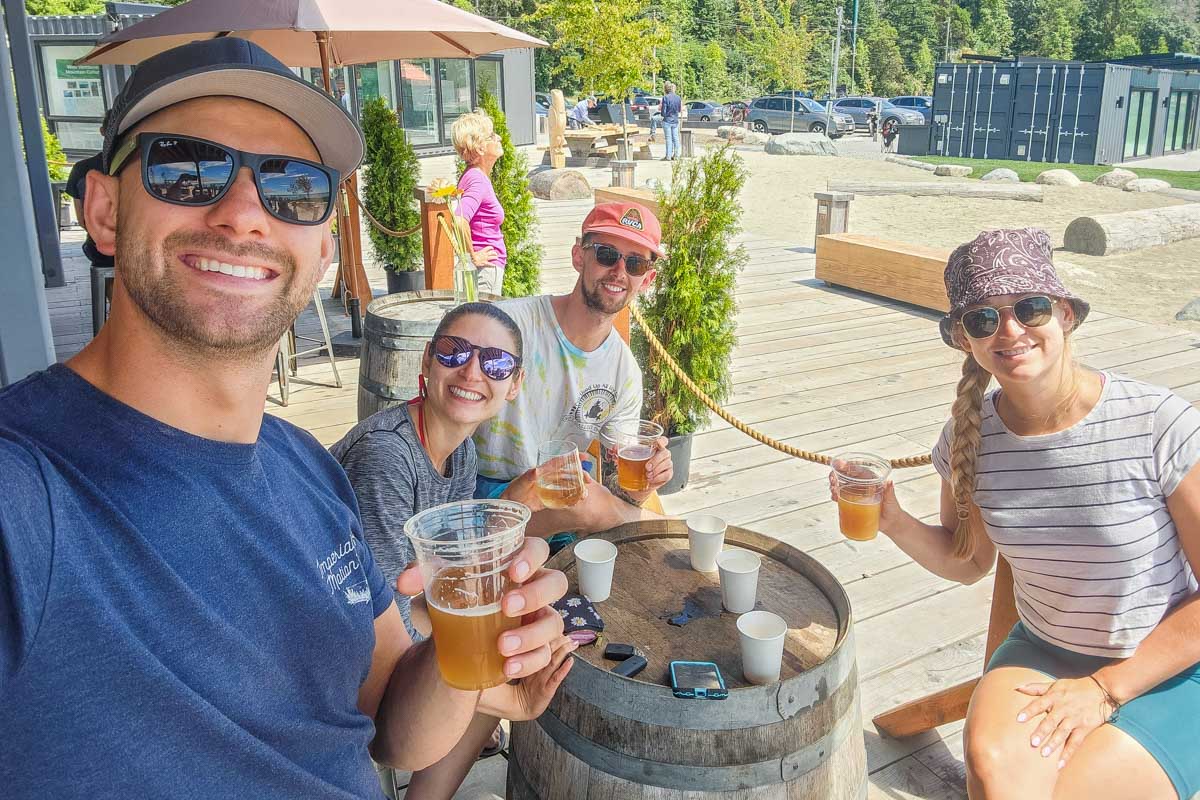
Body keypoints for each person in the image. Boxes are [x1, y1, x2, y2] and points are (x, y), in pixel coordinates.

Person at [0, 38, 567, 798]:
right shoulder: (28, 493)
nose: (242, 215)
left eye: (293, 189)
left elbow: (396, 726)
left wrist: (463, 645)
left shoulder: (309, 468)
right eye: (186, 168)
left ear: (323, 251)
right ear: (104, 211)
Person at [830, 228, 1200, 800]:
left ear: (1067, 316)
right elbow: (970, 561)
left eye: (1029, 308)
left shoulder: (1156, 423)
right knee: (995, 771)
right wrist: (893, 518)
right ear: (965, 341)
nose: (1009, 330)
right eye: (982, 319)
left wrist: (1106, 689)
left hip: (1168, 664)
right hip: (1047, 646)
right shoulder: (969, 437)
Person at [333, 302, 575, 799]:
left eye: (495, 363)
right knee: (482, 663)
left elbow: (449, 575)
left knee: (495, 634)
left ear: (514, 384)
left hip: (387, 621)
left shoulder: (461, 451)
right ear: (426, 362)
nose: (471, 371)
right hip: (338, 650)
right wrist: (506, 698)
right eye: (454, 351)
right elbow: (384, 627)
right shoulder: (387, 457)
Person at [474, 201, 674, 549]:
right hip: (480, 497)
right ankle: (668, 530)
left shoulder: (624, 372)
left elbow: (616, 487)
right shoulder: (510, 326)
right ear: (579, 257)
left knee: (591, 504)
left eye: (636, 263)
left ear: (647, 279)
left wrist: (642, 488)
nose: (619, 272)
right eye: (607, 254)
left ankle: (658, 528)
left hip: (559, 504)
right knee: (589, 504)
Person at [451, 110, 507, 296]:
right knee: (483, 323)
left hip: (484, 270)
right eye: (491, 136)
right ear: (480, 147)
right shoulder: (477, 180)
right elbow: (459, 220)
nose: (498, 137)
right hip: (485, 271)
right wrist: (471, 257)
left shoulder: (472, 175)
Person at [661, 82, 682, 161]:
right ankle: (676, 155)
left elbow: (663, 112)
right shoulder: (678, 98)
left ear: (666, 89)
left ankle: (668, 156)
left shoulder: (665, 98)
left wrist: (664, 115)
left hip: (667, 120)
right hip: (675, 120)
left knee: (668, 139)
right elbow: (679, 110)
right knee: (676, 138)